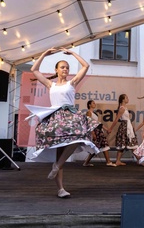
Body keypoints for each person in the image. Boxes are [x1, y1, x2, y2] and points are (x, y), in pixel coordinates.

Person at [26, 47, 100, 198]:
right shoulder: (50, 84)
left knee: (77, 138)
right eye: (62, 67)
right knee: (59, 152)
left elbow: (85, 66)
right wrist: (44, 54)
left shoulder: (72, 83)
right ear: (57, 70)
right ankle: (60, 188)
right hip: (55, 118)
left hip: (70, 117)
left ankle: (57, 165)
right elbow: (34, 69)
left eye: (67, 67)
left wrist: (72, 53)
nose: (65, 69)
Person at [108, 94, 139, 166]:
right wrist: (110, 128)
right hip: (125, 127)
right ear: (123, 100)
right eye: (126, 98)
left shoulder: (124, 108)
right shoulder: (122, 108)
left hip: (127, 126)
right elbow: (116, 119)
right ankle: (139, 160)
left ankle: (118, 161)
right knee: (131, 143)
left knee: (128, 144)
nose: (128, 99)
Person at [83, 100, 116, 167]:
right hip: (95, 131)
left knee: (96, 147)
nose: (95, 104)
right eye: (93, 103)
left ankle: (86, 163)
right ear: (89, 105)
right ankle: (108, 161)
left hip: (98, 130)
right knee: (104, 144)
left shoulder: (94, 113)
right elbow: (89, 123)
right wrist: (92, 133)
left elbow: (98, 123)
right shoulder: (89, 113)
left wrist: (107, 129)